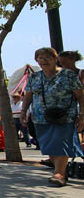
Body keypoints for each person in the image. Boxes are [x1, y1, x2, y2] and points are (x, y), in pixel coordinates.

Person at [21, 47, 84, 187]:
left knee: (61, 142)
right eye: (41, 58)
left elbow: (80, 96)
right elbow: (28, 96)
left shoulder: (68, 75)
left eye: (48, 58)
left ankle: (59, 173)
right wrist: (23, 111)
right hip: (41, 117)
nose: (44, 61)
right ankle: (60, 169)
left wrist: (82, 115)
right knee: (49, 144)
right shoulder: (34, 77)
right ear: (36, 60)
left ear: (56, 59)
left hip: (65, 116)